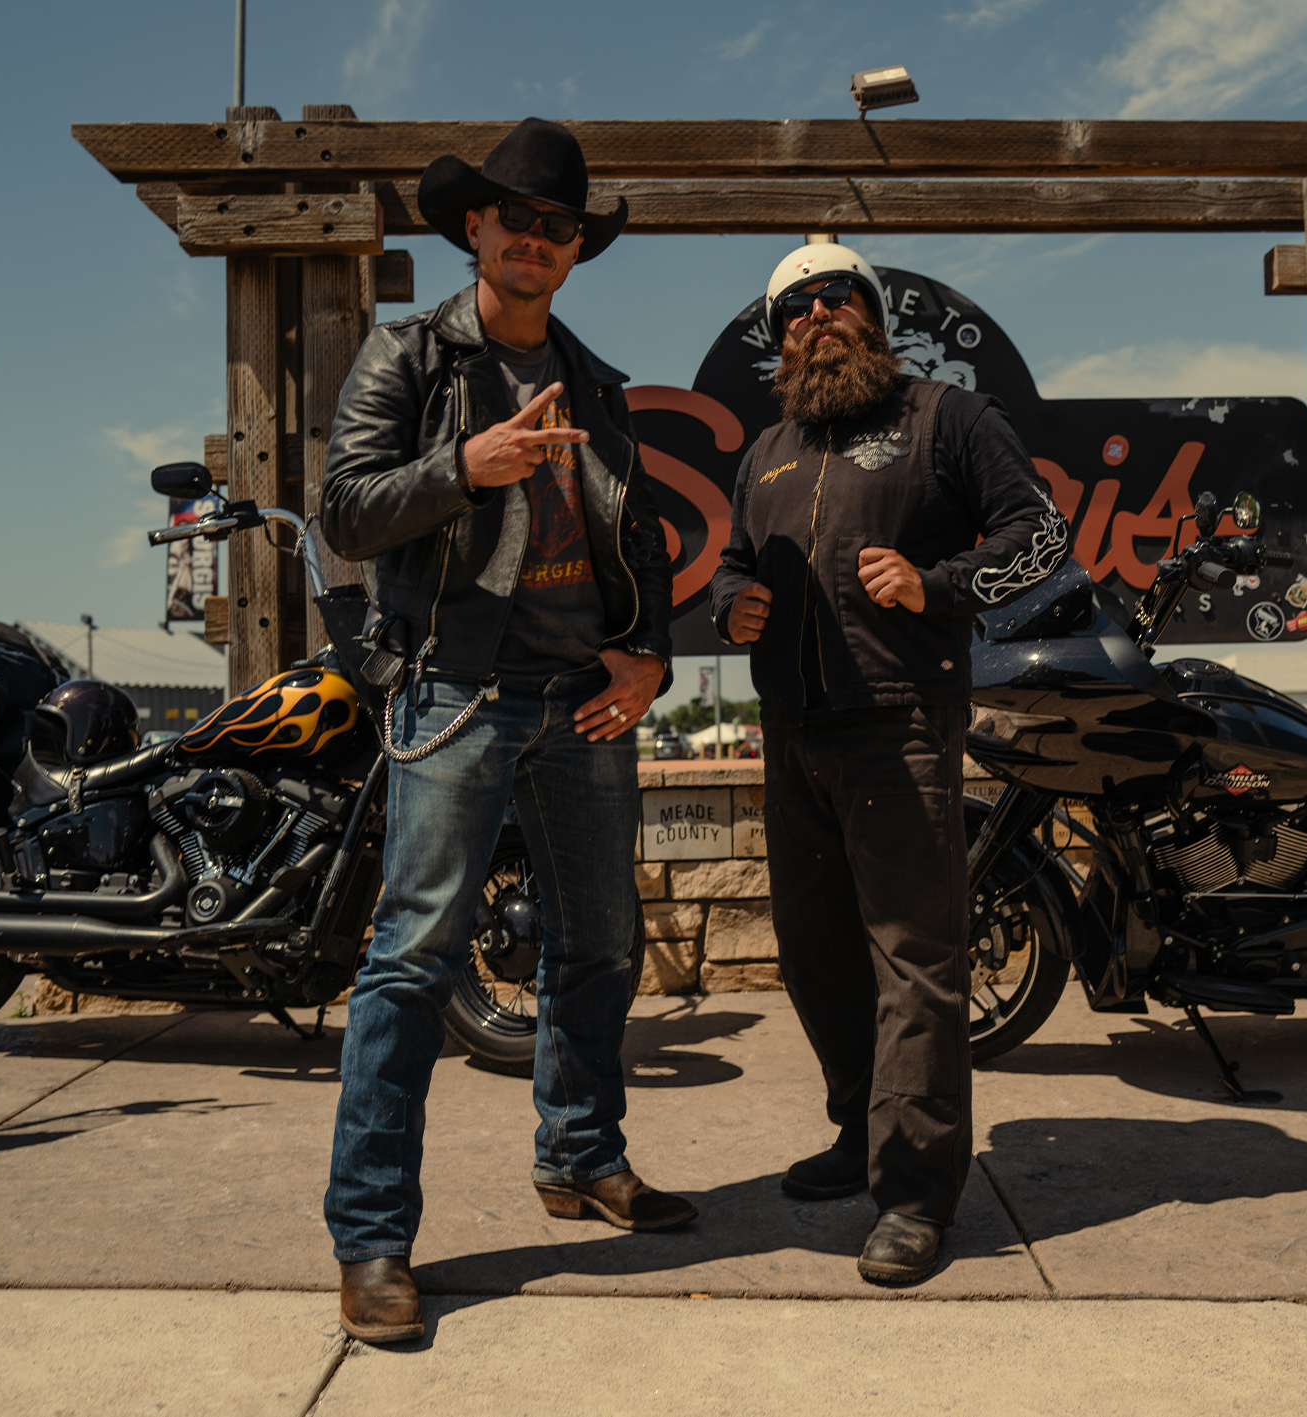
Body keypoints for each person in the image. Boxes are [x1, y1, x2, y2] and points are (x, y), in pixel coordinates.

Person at [318, 118, 692, 1345]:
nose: (535, 240)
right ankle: (373, 1238)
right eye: (516, 220)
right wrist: (462, 467)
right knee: (412, 963)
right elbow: (344, 514)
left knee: (600, 948)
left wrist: (650, 658)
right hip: (459, 691)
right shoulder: (407, 355)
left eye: (559, 227)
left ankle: (582, 1158)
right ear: (472, 228)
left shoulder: (593, 379)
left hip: (585, 696)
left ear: (577, 247)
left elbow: (636, 539)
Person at [709, 244, 1070, 1285]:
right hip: (792, 733)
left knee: (916, 964)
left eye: (838, 298)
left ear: (872, 315)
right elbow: (734, 560)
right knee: (816, 953)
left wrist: (936, 583)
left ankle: (914, 1192)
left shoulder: (946, 417)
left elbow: (1038, 536)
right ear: (778, 337)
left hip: (901, 725)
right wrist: (730, 604)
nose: (818, 315)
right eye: (796, 308)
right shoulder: (768, 447)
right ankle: (858, 1136)